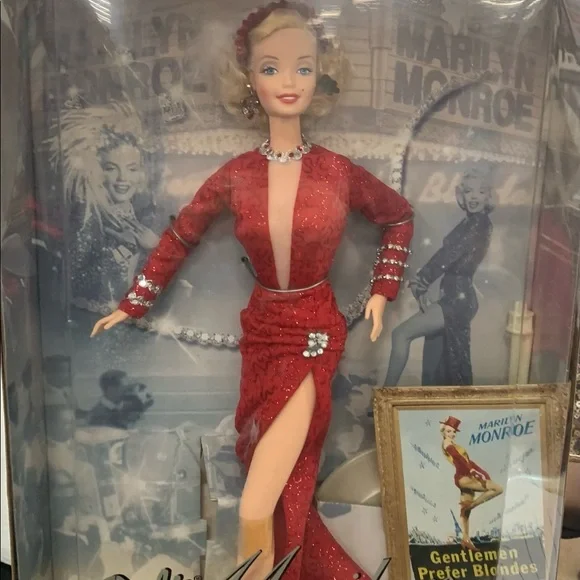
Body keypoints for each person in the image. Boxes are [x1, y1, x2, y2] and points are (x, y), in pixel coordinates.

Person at [90, 2, 415, 578]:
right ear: (247, 78)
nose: (288, 82)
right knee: (275, 483)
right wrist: (133, 302)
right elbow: (181, 234)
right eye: (271, 68)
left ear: (322, 73)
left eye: (303, 67)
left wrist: (382, 289)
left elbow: (399, 217)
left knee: (256, 503)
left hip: (313, 334)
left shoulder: (338, 172)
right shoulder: (236, 175)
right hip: (262, 332)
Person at [384, 167, 494, 387]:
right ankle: (428, 400)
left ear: (488, 196)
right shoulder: (471, 222)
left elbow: (450, 254)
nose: (474, 197)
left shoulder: (478, 224)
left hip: (457, 301)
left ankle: (385, 395)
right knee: (436, 360)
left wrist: (422, 280)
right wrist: (423, 285)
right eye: (469, 191)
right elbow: (449, 255)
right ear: (461, 195)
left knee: (400, 334)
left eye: (481, 192)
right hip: (454, 297)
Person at [440, 416, 503, 551]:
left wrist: (482, 473)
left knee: (465, 509)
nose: (452, 434)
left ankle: (466, 539)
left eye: (454, 431)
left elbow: (468, 461)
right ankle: (471, 506)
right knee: (497, 488)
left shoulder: (454, 445)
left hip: (465, 476)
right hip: (463, 478)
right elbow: (458, 458)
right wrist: (472, 471)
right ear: (443, 432)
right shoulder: (447, 443)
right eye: (449, 431)